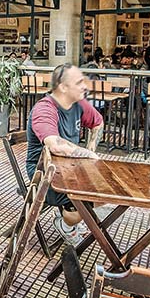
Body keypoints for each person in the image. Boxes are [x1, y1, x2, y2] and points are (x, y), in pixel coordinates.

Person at [25, 64, 104, 245]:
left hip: (71, 170)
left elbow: (98, 122)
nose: (85, 86)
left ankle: (70, 216)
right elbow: (55, 144)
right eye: (79, 82)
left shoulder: (79, 105)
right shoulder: (44, 109)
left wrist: (91, 144)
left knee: (105, 193)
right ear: (63, 87)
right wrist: (89, 155)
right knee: (91, 199)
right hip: (45, 174)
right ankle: (66, 224)